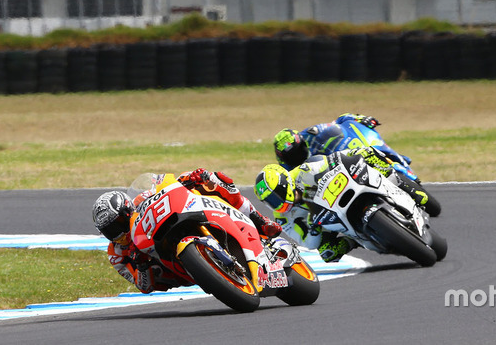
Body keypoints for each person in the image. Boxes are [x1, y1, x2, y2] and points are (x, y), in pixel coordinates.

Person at [92, 168, 282, 294]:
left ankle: (258, 219)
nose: (118, 234)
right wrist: (141, 265)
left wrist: (189, 178)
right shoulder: (116, 254)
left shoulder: (141, 199)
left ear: (127, 210)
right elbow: (143, 286)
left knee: (214, 180)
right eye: (110, 231)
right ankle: (207, 269)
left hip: (174, 219)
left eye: (118, 224)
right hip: (172, 268)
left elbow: (167, 187)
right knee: (155, 271)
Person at [254, 146, 428, 263]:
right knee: (327, 253)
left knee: (367, 153)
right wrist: (313, 226)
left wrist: (350, 155)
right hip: (326, 224)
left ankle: (407, 187)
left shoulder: (302, 171)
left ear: (285, 184)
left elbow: (330, 160)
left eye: (275, 197)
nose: (275, 204)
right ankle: (355, 241)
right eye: (270, 202)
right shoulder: (283, 218)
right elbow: (308, 242)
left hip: (340, 193)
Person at [273, 113, 412, 170]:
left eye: (298, 149)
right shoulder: (287, 170)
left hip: (340, 161)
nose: (297, 155)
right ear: (283, 158)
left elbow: (339, 122)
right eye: (291, 155)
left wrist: (360, 118)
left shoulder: (310, 134)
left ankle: (399, 162)